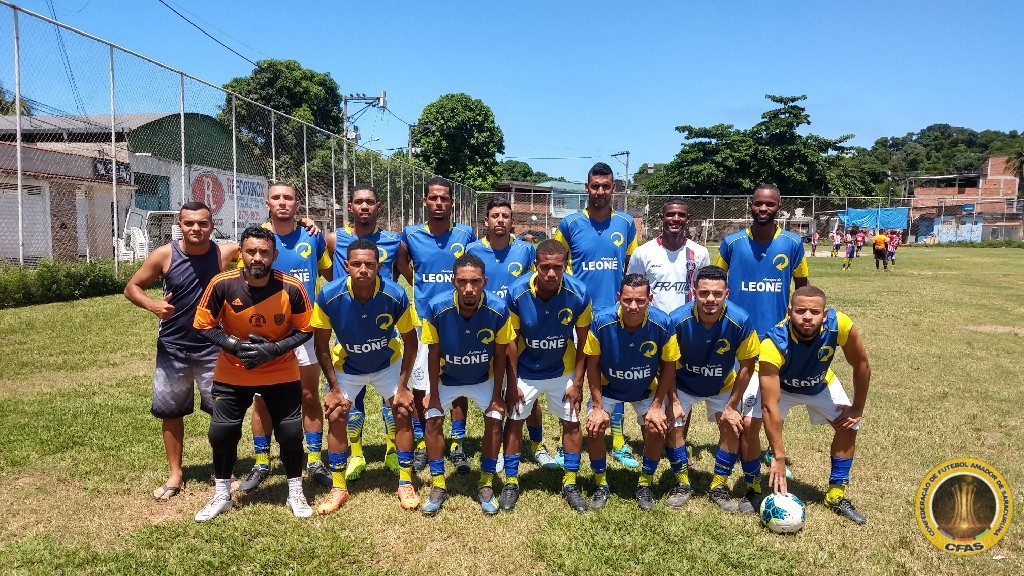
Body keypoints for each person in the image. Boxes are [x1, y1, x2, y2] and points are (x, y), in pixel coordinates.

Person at [192, 225, 315, 521]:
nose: (257, 258)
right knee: (221, 434)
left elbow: (306, 329)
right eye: (251, 251)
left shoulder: (291, 287)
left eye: (264, 252)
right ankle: (222, 494)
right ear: (241, 253)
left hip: (280, 370)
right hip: (234, 372)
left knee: (289, 433)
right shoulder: (222, 284)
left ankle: (295, 492)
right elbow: (203, 324)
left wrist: (274, 349)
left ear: (274, 255)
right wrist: (233, 345)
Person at [124, 202, 240, 501]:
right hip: (173, 347)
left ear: (212, 226)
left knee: (222, 411)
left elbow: (264, 240)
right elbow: (132, 287)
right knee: (171, 412)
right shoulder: (165, 255)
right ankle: (175, 473)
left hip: (213, 346)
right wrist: (153, 305)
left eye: (202, 223)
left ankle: (225, 472)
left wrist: (305, 222)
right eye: (189, 223)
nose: (196, 229)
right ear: (180, 225)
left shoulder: (223, 253)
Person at [310, 238, 421, 513]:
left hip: (387, 364)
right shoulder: (328, 296)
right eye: (357, 264)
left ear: (379, 266)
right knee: (336, 412)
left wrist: (404, 386)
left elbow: (411, 342)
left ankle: (405, 482)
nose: (363, 269)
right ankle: (338, 487)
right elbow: (321, 345)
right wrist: (334, 389)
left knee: (404, 409)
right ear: (346, 266)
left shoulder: (395, 295)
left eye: (369, 264)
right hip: (349, 366)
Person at [715, 183, 808, 503]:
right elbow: (714, 282)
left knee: (760, 408)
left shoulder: (794, 244)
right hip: (737, 337)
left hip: (774, 340)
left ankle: (754, 467)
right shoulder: (731, 243)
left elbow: (803, 290)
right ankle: (737, 461)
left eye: (770, 204)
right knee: (734, 408)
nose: (763, 209)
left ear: (779, 207)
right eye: (758, 204)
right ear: (750, 206)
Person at [239, 183, 334, 494]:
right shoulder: (256, 238)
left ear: (297, 204)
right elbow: (242, 280)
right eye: (276, 197)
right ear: (268, 202)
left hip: (304, 328)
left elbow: (329, 275)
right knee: (262, 399)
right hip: (265, 330)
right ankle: (262, 461)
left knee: (308, 395)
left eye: (289, 197)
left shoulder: (312, 236)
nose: (282, 202)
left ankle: (316, 460)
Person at [759, 285, 871, 525]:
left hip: (819, 384)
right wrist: (780, 456)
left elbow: (861, 363)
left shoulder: (840, 325)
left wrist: (857, 408)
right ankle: (750, 483)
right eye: (800, 311)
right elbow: (770, 407)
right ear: (790, 311)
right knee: (750, 421)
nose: (807, 317)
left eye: (814, 311)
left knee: (848, 427)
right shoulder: (772, 342)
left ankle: (835, 495)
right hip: (784, 387)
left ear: (825, 313)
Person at [555, 162, 640, 468]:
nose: (600, 191)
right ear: (586, 187)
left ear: (613, 188)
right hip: (579, 315)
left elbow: (629, 263)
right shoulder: (569, 224)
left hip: (615, 316)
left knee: (611, 377)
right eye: (595, 186)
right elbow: (556, 263)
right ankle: (570, 438)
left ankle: (617, 441)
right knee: (574, 377)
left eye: (606, 186)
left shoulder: (627, 224)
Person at [418, 253, 516, 515]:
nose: (469, 288)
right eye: (462, 282)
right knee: (433, 419)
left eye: (475, 282)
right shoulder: (437, 307)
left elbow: (500, 354)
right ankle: (438, 484)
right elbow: (433, 353)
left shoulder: (497, 308)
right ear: (454, 281)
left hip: (483, 378)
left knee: (495, 419)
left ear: (484, 281)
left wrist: (497, 395)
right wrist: (434, 394)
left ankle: (485, 484)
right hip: (447, 377)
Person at [467, 199, 559, 471]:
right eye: (494, 215)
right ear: (486, 221)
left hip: (518, 331)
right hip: (483, 331)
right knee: (491, 391)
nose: (500, 220)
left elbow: (534, 285)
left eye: (505, 216)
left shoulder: (526, 250)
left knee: (524, 393)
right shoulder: (473, 250)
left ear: (512, 222)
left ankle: (537, 444)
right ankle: (490, 449)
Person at [504, 240, 593, 511]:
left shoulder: (579, 293)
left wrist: (577, 384)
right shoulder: (517, 292)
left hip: (561, 369)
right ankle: (510, 481)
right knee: (515, 421)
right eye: (545, 267)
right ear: (536, 266)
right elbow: (510, 342)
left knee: (572, 422)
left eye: (558, 267)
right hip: (526, 371)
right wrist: (512, 382)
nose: (551, 274)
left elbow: (584, 344)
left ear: (566, 265)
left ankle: (570, 482)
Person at [328, 184, 409, 480]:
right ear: (350, 206)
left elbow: (405, 275)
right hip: (350, 326)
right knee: (352, 399)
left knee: (393, 400)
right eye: (359, 202)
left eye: (370, 202)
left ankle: (391, 451)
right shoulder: (334, 239)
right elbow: (327, 273)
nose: (364, 207)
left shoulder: (394, 242)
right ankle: (356, 454)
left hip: (384, 326)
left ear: (379, 207)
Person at [398, 177, 478, 474]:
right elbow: (402, 261)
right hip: (425, 321)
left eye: (444, 198)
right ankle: (422, 441)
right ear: (425, 202)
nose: (439, 203)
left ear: (452, 203)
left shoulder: (466, 234)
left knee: (457, 382)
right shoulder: (412, 234)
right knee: (422, 384)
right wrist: (417, 283)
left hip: (459, 320)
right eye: (434, 198)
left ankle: (457, 444)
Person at [668, 265, 761, 513]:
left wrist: (731, 406)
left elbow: (746, 366)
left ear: (727, 294)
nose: (710, 299)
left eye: (717, 294)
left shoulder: (741, 319)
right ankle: (682, 483)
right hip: (684, 384)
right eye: (704, 293)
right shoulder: (677, 320)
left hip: (722, 384)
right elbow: (666, 367)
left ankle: (718, 485)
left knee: (732, 426)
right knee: (673, 424)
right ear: (694, 293)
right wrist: (675, 401)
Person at [583, 274, 680, 511]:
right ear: (619, 298)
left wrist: (658, 405)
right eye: (627, 300)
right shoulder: (601, 321)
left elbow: (669, 365)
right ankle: (601, 484)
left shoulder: (663, 323)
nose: (633, 306)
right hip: (608, 388)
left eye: (640, 300)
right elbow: (592, 364)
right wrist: (597, 406)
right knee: (594, 428)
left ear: (650, 299)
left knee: (657, 427)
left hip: (646, 389)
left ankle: (645, 484)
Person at [626, 198, 710, 313]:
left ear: (688, 218)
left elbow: (703, 289)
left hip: (686, 322)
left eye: (681, 215)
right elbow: (631, 289)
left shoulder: (700, 253)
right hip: (654, 323)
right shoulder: (642, 253)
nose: (675, 219)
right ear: (662, 218)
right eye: (670, 214)